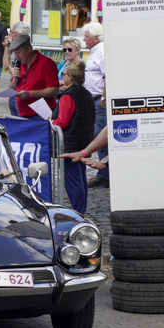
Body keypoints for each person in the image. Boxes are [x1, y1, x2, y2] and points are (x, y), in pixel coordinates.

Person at [52, 59, 94, 214]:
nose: (61, 76)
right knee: (81, 179)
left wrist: (50, 123)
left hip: (69, 144)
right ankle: (81, 210)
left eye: (63, 74)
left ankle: (78, 212)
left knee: (73, 181)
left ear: (70, 76)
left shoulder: (68, 96)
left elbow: (62, 122)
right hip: (84, 142)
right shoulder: (87, 93)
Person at [81, 22, 108, 187]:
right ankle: (105, 173)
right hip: (94, 100)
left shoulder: (102, 51)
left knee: (101, 136)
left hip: (100, 100)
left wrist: (104, 97)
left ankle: (105, 175)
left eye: (86, 36)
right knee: (98, 134)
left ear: (96, 38)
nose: (84, 39)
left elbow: (108, 75)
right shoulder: (95, 51)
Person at [8, 35, 59, 118]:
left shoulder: (46, 63)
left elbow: (54, 90)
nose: (16, 56)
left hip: (41, 115)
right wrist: (14, 79)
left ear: (28, 49)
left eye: (18, 52)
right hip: (22, 113)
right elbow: (11, 89)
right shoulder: (20, 64)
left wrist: (30, 94)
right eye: (14, 53)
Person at [4, 21, 30, 115]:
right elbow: (5, 66)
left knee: (21, 119)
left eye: (12, 32)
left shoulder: (28, 51)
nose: (9, 35)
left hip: (22, 92)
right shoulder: (14, 48)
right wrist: (6, 47)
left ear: (20, 35)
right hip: (13, 90)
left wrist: (12, 69)